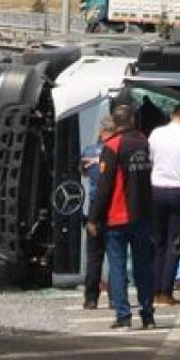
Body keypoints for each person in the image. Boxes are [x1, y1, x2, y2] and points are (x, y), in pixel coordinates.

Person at [88, 103, 156, 329]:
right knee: (143, 267)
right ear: (133, 121)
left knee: (117, 267)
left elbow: (104, 186)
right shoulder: (144, 142)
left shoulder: (112, 146)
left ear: (116, 124)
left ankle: (123, 316)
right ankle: (148, 315)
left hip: (117, 216)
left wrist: (93, 218)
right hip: (143, 215)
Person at [149, 104, 180, 306]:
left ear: (172, 114)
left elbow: (151, 159)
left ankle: (154, 290)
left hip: (156, 189)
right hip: (179, 191)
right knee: (173, 245)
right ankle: (165, 293)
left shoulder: (156, 134)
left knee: (157, 244)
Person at [81, 117, 115, 310]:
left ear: (101, 132)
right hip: (112, 206)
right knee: (114, 256)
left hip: (94, 206)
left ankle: (91, 298)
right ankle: (114, 297)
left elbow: (84, 173)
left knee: (94, 256)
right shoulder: (116, 151)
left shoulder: (88, 151)